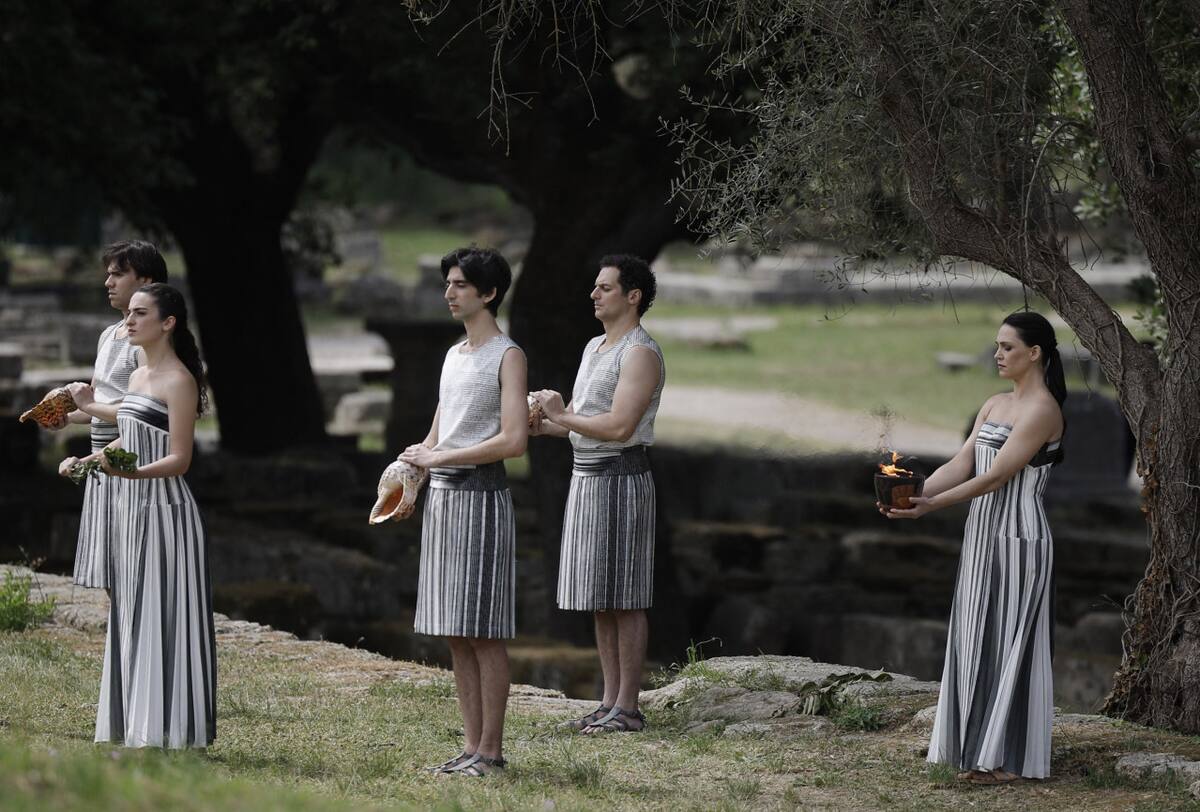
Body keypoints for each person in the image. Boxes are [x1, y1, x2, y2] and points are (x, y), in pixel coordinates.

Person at [881, 310, 1065, 784]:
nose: (998, 354)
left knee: (1007, 641)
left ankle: (1003, 760)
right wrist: (914, 493)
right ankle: (970, 749)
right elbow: (963, 462)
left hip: (1019, 538)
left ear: (1035, 353)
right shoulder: (994, 403)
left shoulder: (1042, 409)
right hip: (982, 537)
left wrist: (933, 505)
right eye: (998, 346)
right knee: (973, 637)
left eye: (1007, 347)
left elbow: (999, 474)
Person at [398, 247, 527, 777]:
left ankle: (492, 753)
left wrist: (441, 456)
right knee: (456, 629)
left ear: (488, 293)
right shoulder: (454, 354)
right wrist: (411, 469)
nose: (449, 293)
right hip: (445, 498)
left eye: (459, 285)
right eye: (447, 284)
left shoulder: (508, 354)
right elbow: (439, 429)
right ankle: (471, 746)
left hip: (482, 498)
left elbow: (514, 440)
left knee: (483, 630)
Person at [530, 254, 665, 734]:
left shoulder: (640, 353)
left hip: (622, 476)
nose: (593, 294)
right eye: (595, 286)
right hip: (586, 477)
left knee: (625, 593)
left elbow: (620, 425)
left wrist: (561, 415)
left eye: (604, 287)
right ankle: (609, 700)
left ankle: (628, 707)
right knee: (599, 595)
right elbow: (584, 425)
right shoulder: (594, 347)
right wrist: (542, 425)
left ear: (633, 296)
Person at [78, 283, 216, 749]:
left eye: (140, 314)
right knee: (131, 612)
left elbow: (180, 459)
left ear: (168, 323)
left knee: (163, 614)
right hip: (131, 511)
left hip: (167, 514)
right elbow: (127, 441)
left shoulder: (180, 381)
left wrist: (130, 476)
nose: (130, 322)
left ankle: (166, 732)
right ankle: (133, 728)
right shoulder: (137, 377)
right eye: (130, 313)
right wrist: (87, 462)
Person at [54, 241, 168, 589]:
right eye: (108, 274)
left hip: (130, 461)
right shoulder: (109, 335)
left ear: (145, 281)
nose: (108, 282)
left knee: (133, 568)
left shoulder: (147, 342)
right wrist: (65, 416)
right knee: (109, 568)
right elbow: (99, 402)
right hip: (102, 463)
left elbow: (143, 416)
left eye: (118, 274)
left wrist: (87, 410)